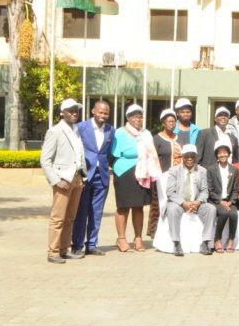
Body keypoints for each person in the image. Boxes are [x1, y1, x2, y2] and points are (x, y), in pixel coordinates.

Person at [41, 98, 87, 264]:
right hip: (63, 180)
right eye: (71, 111)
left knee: (70, 218)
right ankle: (53, 251)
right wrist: (56, 180)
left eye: (76, 110)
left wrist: (82, 176)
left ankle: (64, 249)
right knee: (58, 218)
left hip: (77, 179)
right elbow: (45, 160)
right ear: (63, 112)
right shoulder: (55, 131)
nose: (74, 113)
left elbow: (78, 154)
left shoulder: (76, 130)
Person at [111, 104, 161, 253]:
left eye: (140, 116)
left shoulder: (146, 133)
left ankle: (138, 238)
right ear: (128, 118)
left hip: (143, 173)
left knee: (138, 206)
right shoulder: (119, 133)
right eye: (134, 116)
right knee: (123, 206)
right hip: (125, 172)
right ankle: (121, 239)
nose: (138, 119)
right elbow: (113, 154)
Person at [72, 100, 113, 256]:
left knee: (96, 212)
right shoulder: (81, 127)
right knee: (81, 211)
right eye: (100, 112)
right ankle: (77, 245)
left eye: (106, 113)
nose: (103, 115)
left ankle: (92, 244)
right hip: (84, 174)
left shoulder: (110, 130)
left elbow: (108, 152)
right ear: (93, 111)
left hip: (101, 175)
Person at [164, 144, 215, 256]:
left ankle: (205, 242)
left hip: (196, 202)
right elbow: (170, 192)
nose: (189, 158)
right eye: (187, 156)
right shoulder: (174, 170)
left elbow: (205, 191)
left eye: (192, 156)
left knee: (211, 209)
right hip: (178, 203)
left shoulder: (202, 171)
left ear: (196, 157)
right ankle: (176, 243)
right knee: (172, 209)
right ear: (182, 157)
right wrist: (183, 203)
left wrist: (198, 202)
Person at [150, 109, 181, 239]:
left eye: (173, 121)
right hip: (162, 177)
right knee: (161, 204)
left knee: (177, 203)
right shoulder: (156, 139)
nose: (171, 124)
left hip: (179, 177)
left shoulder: (180, 138)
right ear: (163, 123)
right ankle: (157, 233)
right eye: (169, 121)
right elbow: (152, 158)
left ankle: (174, 231)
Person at [207, 141, 239, 253]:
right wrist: (220, 201)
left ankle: (231, 240)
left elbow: (235, 189)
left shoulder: (234, 170)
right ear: (216, 155)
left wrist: (231, 202)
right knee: (224, 213)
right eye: (219, 153)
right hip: (216, 201)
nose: (222, 155)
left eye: (225, 152)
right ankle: (217, 239)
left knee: (234, 214)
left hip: (229, 201)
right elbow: (210, 190)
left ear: (229, 154)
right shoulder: (211, 169)